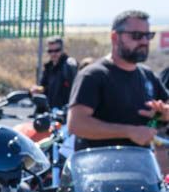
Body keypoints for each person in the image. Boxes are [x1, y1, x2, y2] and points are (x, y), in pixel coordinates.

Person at [66, 10, 169, 152]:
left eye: (148, 36)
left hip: (141, 168)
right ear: (115, 37)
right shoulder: (94, 75)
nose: (144, 42)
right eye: (137, 36)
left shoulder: (147, 75)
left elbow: (155, 118)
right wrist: (129, 131)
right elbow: (77, 124)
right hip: (100, 169)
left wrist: (162, 115)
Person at [35, 36, 77, 111]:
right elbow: (44, 88)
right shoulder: (48, 67)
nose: (53, 54)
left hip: (65, 112)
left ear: (62, 50)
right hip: (50, 111)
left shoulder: (69, 65)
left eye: (57, 50)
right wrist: (38, 90)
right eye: (50, 51)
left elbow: (76, 90)